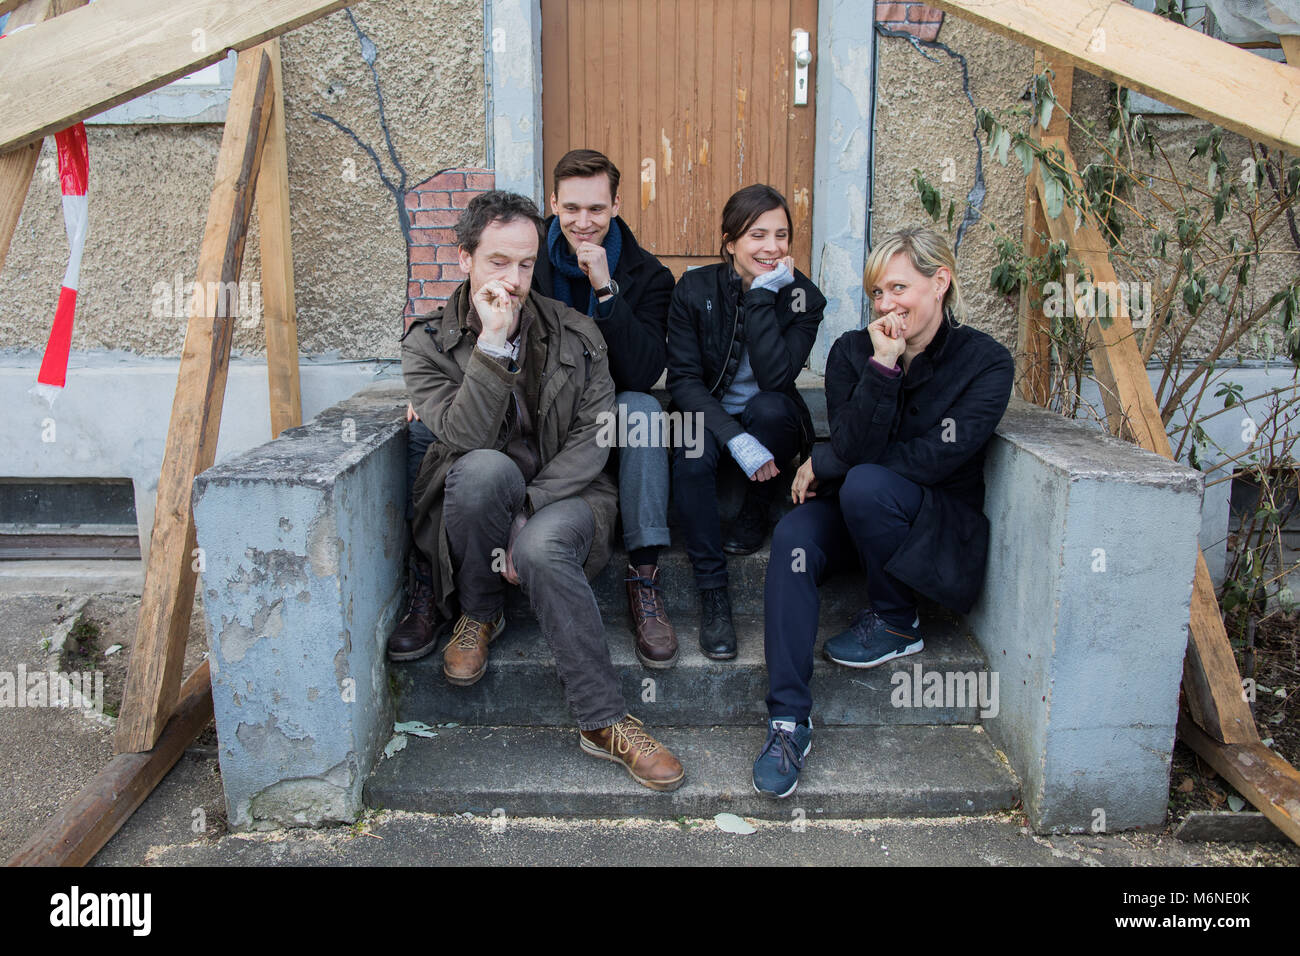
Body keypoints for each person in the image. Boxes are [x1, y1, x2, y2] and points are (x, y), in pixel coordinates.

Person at [401, 190, 685, 791]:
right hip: (479, 499)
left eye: (527, 264)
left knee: (537, 547)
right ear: (465, 259)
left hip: (571, 496)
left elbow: (594, 436)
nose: (514, 278)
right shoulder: (428, 343)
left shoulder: (577, 333)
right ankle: (479, 613)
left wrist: (530, 509)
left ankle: (603, 721)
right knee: (483, 471)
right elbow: (463, 435)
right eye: (499, 261)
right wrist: (491, 346)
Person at [751, 225, 1013, 798]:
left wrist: (829, 461)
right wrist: (884, 368)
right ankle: (788, 720)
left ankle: (898, 620)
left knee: (869, 482)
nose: (886, 305)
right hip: (856, 507)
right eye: (876, 292)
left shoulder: (986, 363)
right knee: (795, 535)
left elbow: (933, 459)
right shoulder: (852, 352)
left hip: (929, 526)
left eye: (898, 288)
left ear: (940, 282)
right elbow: (852, 440)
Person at [532, 149, 679, 669]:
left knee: (642, 409)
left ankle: (644, 577)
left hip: (610, 408)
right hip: (544, 411)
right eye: (570, 208)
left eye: (596, 208)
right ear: (552, 203)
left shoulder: (649, 275)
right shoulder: (527, 260)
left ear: (616, 205)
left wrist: (606, 290)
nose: (583, 222)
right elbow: (472, 312)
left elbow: (642, 371)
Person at [667, 184, 826, 661]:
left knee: (771, 407)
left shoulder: (803, 299)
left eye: (781, 235)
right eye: (757, 235)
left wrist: (762, 297)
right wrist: (734, 439)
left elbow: (777, 378)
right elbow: (685, 383)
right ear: (730, 241)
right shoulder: (694, 289)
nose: (772, 247)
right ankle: (713, 591)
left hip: (771, 417)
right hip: (706, 411)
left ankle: (757, 507)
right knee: (691, 453)